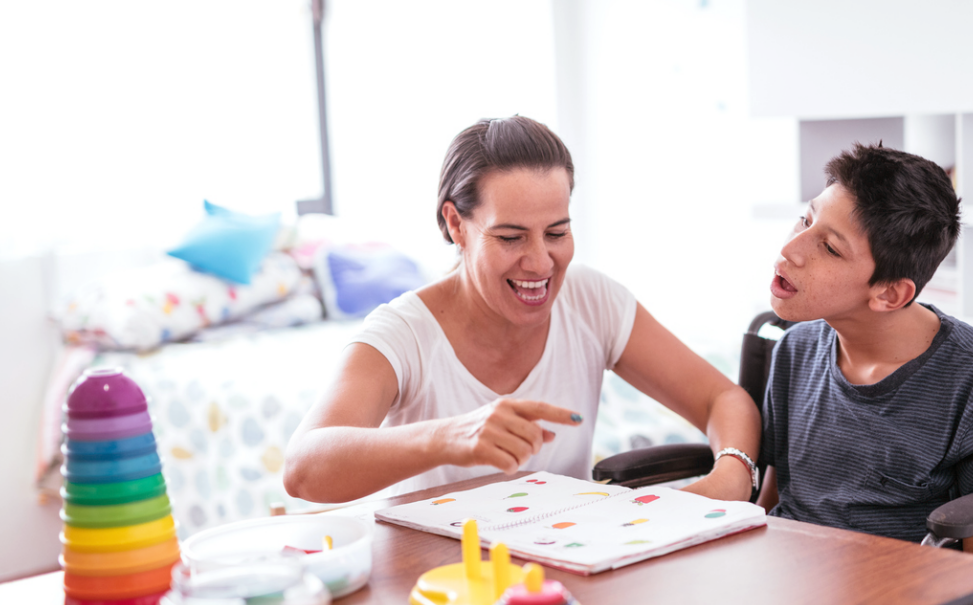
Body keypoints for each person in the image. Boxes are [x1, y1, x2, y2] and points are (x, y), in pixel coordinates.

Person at [535, 143, 973, 605]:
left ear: (891, 292)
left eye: (830, 248)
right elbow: (770, 509)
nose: (792, 250)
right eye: (805, 221)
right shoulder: (799, 350)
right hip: (777, 602)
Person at [283, 116, 760, 508]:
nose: (540, 263)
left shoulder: (592, 300)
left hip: (560, 580)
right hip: (435, 582)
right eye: (510, 237)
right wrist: (448, 437)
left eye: (557, 233)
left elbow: (722, 398)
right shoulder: (403, 334)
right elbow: (303, 469)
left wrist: (733, 473)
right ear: (456, 224)